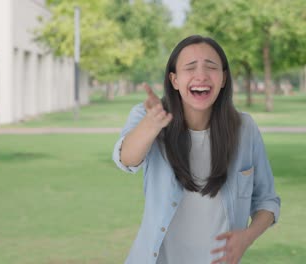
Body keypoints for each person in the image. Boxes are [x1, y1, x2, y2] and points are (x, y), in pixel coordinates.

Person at [113, 35, 280, 264]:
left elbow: (267, 200)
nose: (201, 75)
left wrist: (247, 237)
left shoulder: (245, 128)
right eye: (190, 68)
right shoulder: (147, 117)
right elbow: (126, 159)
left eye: (211, 67)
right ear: (174, 79)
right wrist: (152, 125)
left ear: (223, 78)